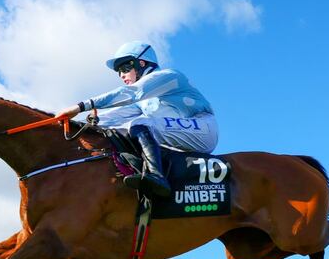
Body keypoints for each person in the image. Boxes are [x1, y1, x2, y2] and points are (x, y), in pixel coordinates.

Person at [56, 41, 217, 198]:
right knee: (124, 127)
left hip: (205, 128)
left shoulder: (169, 76)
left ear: (141, 63)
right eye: (118, 71)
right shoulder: (143, 101)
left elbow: (130, 93)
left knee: (139, 123)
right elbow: (115, 116)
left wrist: (80, 107)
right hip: (184, 135)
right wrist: (82, 123)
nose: (121, 75)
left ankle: (156, 176)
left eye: (125, 67)